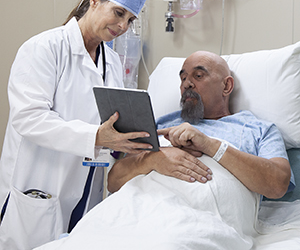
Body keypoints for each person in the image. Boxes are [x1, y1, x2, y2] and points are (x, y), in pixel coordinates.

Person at [0, 0, 149, 250]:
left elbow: (109, 121)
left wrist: (130, 139)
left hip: (86, 186)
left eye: (130, 19)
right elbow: (29, 118)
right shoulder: (44, 48)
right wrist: (96, 137)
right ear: (94, 1)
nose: (123, 25)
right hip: (40, 184)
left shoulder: (112, 62)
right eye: (118, 13)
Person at [107, 51, 294, 200]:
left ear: (226, 86)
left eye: (198, 75)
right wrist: (150, 160)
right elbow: (113, 181)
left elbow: (278, 185)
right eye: (183, 78)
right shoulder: (159, 125)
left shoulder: (259, 130)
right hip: (140, 207)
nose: (187, 84)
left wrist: (210, 146)